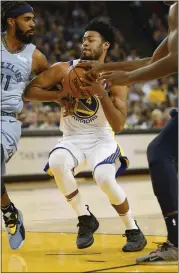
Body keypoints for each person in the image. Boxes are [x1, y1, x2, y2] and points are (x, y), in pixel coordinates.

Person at [25, 18, 147, 251]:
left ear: (106, 46)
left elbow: (119, 125)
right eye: (83, 39)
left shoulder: (116, 76)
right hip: (72, 139)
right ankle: (85, 218)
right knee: (57, 162)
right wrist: (59, 95)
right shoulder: (64, 69)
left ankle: (133, 229)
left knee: (103, 176)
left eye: (91, 40)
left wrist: (100, 92)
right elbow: (30, 91)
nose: (85, 43)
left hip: (102, 138)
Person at [78, 2, 178, 262]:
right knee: (162, 152)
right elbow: (155, 60)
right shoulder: (174, 11)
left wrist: (125, 79)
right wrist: (107, 69)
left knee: (160, 152)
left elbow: (174, 62)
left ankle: (177, 242)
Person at [1, 1, 62, 250]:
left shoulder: (36, 57)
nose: (33, 24)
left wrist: (64, 96)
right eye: (27, 19)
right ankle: (8, 210)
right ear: (11, 21)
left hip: (6, 121)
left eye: (33, 19)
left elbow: (54, 87)